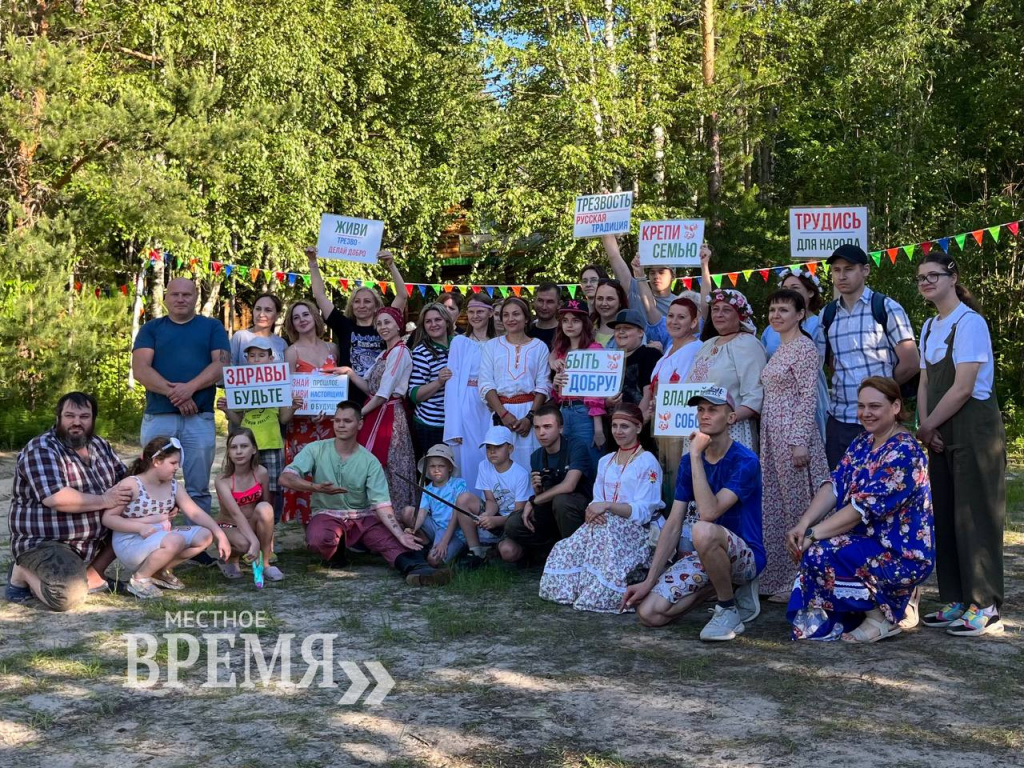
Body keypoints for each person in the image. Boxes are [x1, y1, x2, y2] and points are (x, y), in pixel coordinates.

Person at [785, 377, 934, 642]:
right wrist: (803, 524)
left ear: (896, 406)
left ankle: (885, 615)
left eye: (875, 406)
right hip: (865, 544)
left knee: (819, 551)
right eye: (861, 406)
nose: (866, 413)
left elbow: (859, 509)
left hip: (900, 553)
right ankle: (885, 601)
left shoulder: (904, 453)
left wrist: (813, 534)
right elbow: (835, 485)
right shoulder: (863, 442)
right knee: (812, 550)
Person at [623, 386, 763, 641]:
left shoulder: (746, 460)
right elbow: (674, 523)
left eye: (713, 410)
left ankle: (727, 608)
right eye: (700, 410)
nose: (704, 416)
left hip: (745, 556)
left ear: (731, 418)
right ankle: (721, 588)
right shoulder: (690, 462)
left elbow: (709, 513)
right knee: (649, 614)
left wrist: (696, 454)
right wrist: (649, 580)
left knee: (702, 528)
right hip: (704, 553)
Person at [915, 254, 1006, 636]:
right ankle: (955, 599)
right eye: (920, 277)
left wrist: (928, 426)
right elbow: (923, 383)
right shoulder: (928, 326)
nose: (926, 281)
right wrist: (925, 426)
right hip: (938, 430)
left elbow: (964, 386)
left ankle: (984, 605)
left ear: (953, 277)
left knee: (975, 515)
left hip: (973, 429)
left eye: (933, 275)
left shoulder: (971, 323)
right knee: (948, 514)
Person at [279, 401, 450, 585]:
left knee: (391, 541)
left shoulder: (370, 461)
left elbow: (382, 505)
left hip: (362, 516)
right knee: (318, 539)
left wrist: (399, 534)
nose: (341, 425)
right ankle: (337, 554)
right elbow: (286, 477)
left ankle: (418, 570)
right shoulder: (316, 449)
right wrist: (315, 488)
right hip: (327, 514)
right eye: (337, 421)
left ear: (359, 424)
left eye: (347, 421)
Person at [6, 393, 131, 610]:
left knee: (139, 516)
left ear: (93, 419)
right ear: (58, 417)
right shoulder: (42, 449)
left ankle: (93, 576)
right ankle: (21, 572)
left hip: (90, 540)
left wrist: (161, 497)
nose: (76, 422)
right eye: (69, 415)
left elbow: (128, 481)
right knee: (67, 598)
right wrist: (105, 500)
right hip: (46, 542)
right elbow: (56, 498)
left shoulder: (100, 446)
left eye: (84, 416)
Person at [539, 403, 664, 613]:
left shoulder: (647, 462)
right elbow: (597, 499)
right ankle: (580, 589)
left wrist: (607, 507)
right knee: (567, 547)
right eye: (614, 426)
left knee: (605, 534)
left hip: (639, 531)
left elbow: (644, 511)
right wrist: (595, 510)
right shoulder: (606, 461)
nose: (618, 431)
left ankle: (604, 592)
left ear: (638, 428)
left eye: (625, 426)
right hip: (605, 524)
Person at [132, 277, 231, 514]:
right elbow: (140, 369)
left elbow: (222, 364)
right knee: (151, 481)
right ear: (166, 297)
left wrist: (191, 388)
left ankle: (197, 546)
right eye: (175, 294)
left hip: (199, 419)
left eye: (186, 294)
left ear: (196, 298)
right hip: (159, 417)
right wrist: (176, 393)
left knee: (198, 488)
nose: (180, 299)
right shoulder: (151, 329)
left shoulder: (212, 327)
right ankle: (155, 542)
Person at [759, 290, 830, 602]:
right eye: (773, 309)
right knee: (777, 504)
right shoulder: (781, 348)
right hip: (772, 436)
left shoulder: (803, 348)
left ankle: (804, 575)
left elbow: (807, 397)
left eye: (784, 310)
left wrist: (799, 440)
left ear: (800, 314)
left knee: (798, 503)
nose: (776, 315)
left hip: (792, 437)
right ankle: (781, 576)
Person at [823, 244, 919, 469]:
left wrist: (879, 393)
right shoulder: (827, 314)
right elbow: (830, 363)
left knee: (882, 491)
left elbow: (911, 363)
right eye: (836, 270)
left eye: (848, 269)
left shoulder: (885, 307)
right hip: (840, 419)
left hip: (881, 420)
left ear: (865, 270)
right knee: (840, 491)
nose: (842, 275)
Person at [102, 437, 231, 599]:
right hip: (131, 542)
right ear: (156, 461)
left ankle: (158, 571)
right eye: (173, 463)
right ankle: (139, 579)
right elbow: (108, 518)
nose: (177, 467)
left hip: (159, 537)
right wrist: (139, 528)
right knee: (175, 540)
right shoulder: (132, 485)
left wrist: (219, 534)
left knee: (205, 535)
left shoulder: (173, 485)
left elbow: (195, 512)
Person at [341, 306, 417, 515]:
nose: (383, 327)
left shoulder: (400, 352)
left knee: (391, 467)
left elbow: (383, 394)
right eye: (380, 323)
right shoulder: (384, 353)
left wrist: (357, 415)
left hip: (390, 417)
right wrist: (348, 372)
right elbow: (370, 388)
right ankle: (373, 520)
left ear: (398, 325)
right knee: (374, 467)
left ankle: (397, 518)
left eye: (388, 322)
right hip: (377, 413)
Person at [306, 247, 409, 400]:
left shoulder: (385, 326)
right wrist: (313, 262)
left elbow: (402, 295)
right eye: (357, 301)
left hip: (379, 397)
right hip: (349, 398)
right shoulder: (344, 326)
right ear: (351, 306)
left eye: (367, 301)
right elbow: (320, 296)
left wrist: (391, 265)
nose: (361, 305)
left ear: (376, 306)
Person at [218, 336, 300, 524]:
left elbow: (283, 419)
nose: (256, 359)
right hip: (246, 445)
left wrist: (293, 407)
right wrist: (227, 409)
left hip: (271, 444)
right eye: (252, 355)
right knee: (247, 486)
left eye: (261, 355)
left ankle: (269, 528)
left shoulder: (279, 382)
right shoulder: (240, 384)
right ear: (246, 359)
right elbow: (239, 421)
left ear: (271, 359)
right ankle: (246, 525)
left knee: (272, 489)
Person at [502, 405, 595, 562]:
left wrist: (533, 501)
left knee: (562, 501)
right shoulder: (537, 456)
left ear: (560, 428)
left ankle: (575, 557)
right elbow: (543, 496)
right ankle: (549, 552)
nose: (541, 433)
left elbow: (569, 486)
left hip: (579, 511)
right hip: (551, 512)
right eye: (537, 428)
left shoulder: (575, 447)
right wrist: (538, 490)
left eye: (547, 427)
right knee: (513, 523)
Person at [281, 299, 340, 525]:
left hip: (330, 423)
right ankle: (309, 525)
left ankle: (332, 521)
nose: (302, 320)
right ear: (292, 324)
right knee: (306, 473)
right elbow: (288, 392)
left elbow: (338, 387)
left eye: (305, 314)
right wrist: (301, 410)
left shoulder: (332, 348)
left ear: (315, 316)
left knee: (330, 471)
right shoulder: (291, 352)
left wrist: (330, 410)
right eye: (296, 317)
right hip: (302, 424)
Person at [686, 289, 766, 453]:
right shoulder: (708, 344)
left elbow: (755, 395)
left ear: (740, 316)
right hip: (699, 428)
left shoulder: (747, 344)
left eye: (727, 310)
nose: (719, 314)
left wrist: (729, 418)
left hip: (730, 432)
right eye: (715, 309)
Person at [478, 298, 550, 469]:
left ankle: (532, 497)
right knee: (500, 463)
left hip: (530, 414)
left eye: (516, 314)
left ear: (526, 318)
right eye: (506, 315)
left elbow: (543, 384)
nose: (511, 319)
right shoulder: (492, 346)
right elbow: (486, 383)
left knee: (529, 464)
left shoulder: (539, 347)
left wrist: (530, 417)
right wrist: (503, 414)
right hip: (501, 412)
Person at [761, 267, 828, 439]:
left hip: (800, 399)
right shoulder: (770, 330)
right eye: (785, 288)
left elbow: (809, 381)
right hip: (775, 399)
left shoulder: (815, 325)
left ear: (810, 292)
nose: (789, 292)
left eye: (795, 288)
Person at [650, 297, 703, 503]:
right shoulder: (668, 350)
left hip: (678, 426)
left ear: (693, 322)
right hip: (660, 423)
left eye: (681, 317)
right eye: (670, 316)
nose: (674, 321)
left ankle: (680, 528)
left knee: (676, 477)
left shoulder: (696, 349)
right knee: (663, 476)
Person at [214, 429, 285, 582]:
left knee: (265, 508)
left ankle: (265, 564)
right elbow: (235, 514)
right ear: (228, 452)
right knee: (245, 544)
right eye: (233, 447)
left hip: (251, 523)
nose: (239, 452)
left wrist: (266, 539)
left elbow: (267, 506)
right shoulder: (222, 479)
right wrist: (254, 542)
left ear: (253, 449)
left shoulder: (262, 472)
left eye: (244, 446)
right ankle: (229, 559)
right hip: (228, 526)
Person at [455, 426, 532, 563]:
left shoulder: (521, 474)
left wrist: (495, 521)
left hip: (514, 523)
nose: (492, 452)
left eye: (498, 447)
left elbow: (518, 514)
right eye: (488, 447)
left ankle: (517, 550)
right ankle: (476, 551)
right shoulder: (484, 466)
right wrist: (487, 515)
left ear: (510, 449)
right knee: (463, 499)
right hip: (497, 516)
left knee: (508, 552)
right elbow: (491, 500)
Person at [444, 294, 497, 492]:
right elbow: (453, 384)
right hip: (466, 403)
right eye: (472, 312)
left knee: (492, 453)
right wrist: (453, 426)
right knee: (469, 457)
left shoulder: (498, 342)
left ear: (490, 313)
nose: (475, 316)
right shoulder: (460, 342)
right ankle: (471, 505)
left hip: (491, 405)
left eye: (480, 312)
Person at [548, 298, 607, 465]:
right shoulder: (561, 351)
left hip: (585, 413)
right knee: (569, 462)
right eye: (565, 321)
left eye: (575, 321)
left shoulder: (594, 349)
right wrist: (556, 383)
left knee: (591, 460)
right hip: (563, 412)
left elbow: (596, 390)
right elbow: (559, 392)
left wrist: (598, 427)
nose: (570, 325)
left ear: (585, 324)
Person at [602, 233, 712, 320]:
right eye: (652, 272)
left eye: (661, 272)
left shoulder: (680, 303)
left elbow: (706, 306)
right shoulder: (636, 290)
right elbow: (614, 256)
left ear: (673, 276)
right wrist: (608, 223)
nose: (656, 276)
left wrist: (704, 265)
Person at [399, 444, 468, 567]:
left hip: (455, 531)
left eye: (441, 466)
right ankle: (426, 542)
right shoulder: (427, 489)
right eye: (432, 466)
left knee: (433, 560)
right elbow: (422, 513)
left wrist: (444, 542)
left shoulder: (459, 484)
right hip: (436, 527)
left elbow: (456, 517)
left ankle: (455, 549)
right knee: (407, 512)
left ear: (450, 468)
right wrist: (414, 528)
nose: (436, 469)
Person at [408, 302, 455, 457]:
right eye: (428, 321)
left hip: (457, 423)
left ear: (447, 321)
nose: (433, 324)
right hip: (432, 425)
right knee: (435, 473)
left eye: (438, 319)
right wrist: (439, 382)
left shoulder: (459, 344)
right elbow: (414, 394)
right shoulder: (421, 352)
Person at [607, 309, 662, 432]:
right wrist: (607, 402)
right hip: (614, 427)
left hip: (640, 427)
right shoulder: (610, 359)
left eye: (627, 328)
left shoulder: (649, 354)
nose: (621, 332)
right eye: (617, 328)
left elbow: (649, 393)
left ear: (641, 332)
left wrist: (637, 422)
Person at [229, 293, 288, 365]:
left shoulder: (282, 343)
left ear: (277, 315)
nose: (261, 314)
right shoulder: (240, 337)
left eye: (268, 310)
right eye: (258, 309)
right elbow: (228, 368)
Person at [591, 278, 629, 348]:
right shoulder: (586, 327)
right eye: (600, 298)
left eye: (610, 299)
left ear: (620, 302)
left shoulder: (631, 331)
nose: (604, 303)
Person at [527, 282, 560, 349]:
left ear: (559, 305)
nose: (544, 307)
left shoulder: (565, 332)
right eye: (540, 301)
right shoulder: (525, 332)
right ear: (534, 302)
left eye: (550, 302)